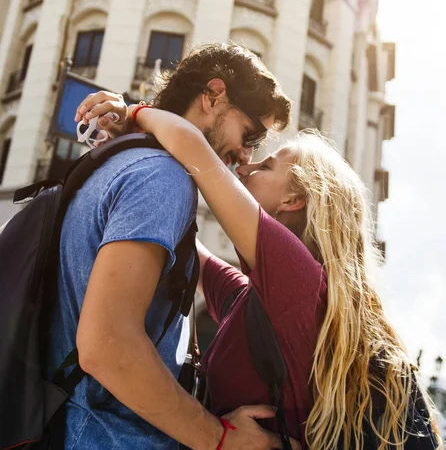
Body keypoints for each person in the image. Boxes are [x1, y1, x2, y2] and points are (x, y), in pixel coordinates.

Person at [80, 98, 443, 450]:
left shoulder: (298, 280)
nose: (244, 169)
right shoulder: (261, 300)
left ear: (292, 201)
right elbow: (190, 244)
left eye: (266, 166)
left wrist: (131, 112)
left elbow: (189, 144)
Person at [46, 43, 297, 450]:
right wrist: (218, 438)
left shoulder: (128, 163)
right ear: (214, 95)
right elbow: (106, 346)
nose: (247, 155)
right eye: (251, 135)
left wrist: (132, 116)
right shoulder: (163, 179)